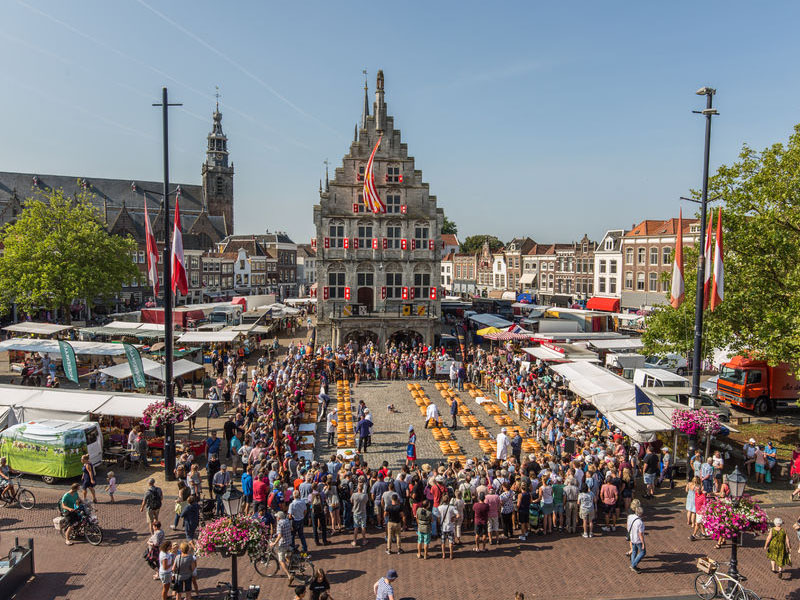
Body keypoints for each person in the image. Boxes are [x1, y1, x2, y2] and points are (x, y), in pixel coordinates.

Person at [271, 511, 294, 582]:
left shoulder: (279, 524)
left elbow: (280, 535)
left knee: (281, 560)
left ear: (279, 518)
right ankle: (291, 566)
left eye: (277, 517)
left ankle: (289, 575)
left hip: (283, 544)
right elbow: (291, 529)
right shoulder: (287, 520)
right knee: (287, 555)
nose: (276, 518)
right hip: (289, 541)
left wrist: (274, 543)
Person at [439, 495, 459, 559]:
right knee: (451, 542)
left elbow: (437, 517)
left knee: (443, 542)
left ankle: (443, 555)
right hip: (450, 527)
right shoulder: (451, 507)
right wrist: (454, 518)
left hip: (443, 527)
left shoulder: (439, 507)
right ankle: (451, 555)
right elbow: (458, 515)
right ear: (448, 500)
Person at [629, 506, 646, 573]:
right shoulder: (640, 522)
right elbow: (640, 534)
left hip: (632, 537)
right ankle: (633, 565)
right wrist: (643, 543)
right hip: (638, 540)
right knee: (643, 552)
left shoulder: (631, 517)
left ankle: (633, 566)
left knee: (634, 552)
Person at [351, 482, 368, 547]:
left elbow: (351, 501)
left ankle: (355, 541)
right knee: (363, 526)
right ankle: (364, 540)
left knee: (356, 527)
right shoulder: (365, 495)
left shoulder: (354, 495)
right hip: (363, 512)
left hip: (356, 512)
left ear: (357, 488)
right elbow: (366, 502)